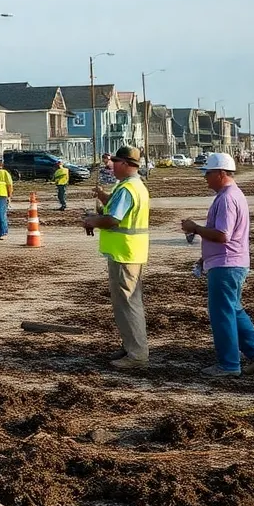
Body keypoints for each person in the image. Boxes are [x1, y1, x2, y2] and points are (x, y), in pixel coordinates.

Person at [181, 153, 254, 378]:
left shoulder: (227, 199)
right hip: (230, 262)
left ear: (221, 173)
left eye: (208, 173)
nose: (205, 178)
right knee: (232, 309)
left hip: (227, 264)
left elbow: (223, 235)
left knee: (222, 313)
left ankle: (229, 364)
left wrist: (195, 228)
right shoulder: (231, 196)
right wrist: (205, 258)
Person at [83, 146, 151, 369]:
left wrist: (93, 220)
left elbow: (114, 219)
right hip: (130, 251)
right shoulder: (132, 186)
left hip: (125, 253)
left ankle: (137, 354)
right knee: (127, 303)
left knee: (128, 304)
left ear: (124, 164)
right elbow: (117, 210)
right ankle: (130, 346)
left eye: (115, 162)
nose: (111, 166)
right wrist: (103, 197)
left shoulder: (127, 189)